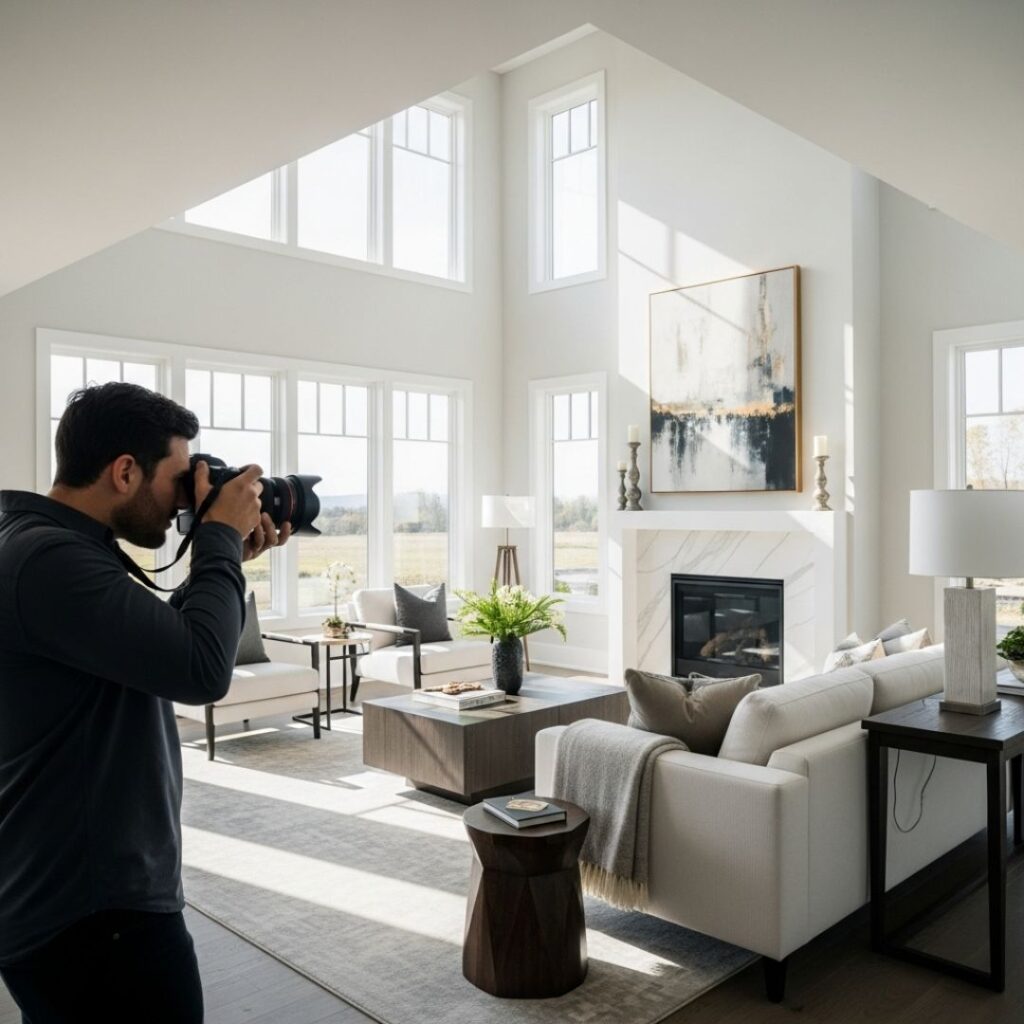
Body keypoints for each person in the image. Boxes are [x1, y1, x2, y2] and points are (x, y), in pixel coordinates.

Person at [0, 382, 291, 1023]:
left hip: (73, 896)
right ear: (125, 471)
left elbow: (153, 648)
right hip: (93, 912)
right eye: (178, 479)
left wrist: (224, 558)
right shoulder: (48, 558)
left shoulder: (45, 544)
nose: (184, 499)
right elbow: (200, 672)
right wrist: (217, 538)